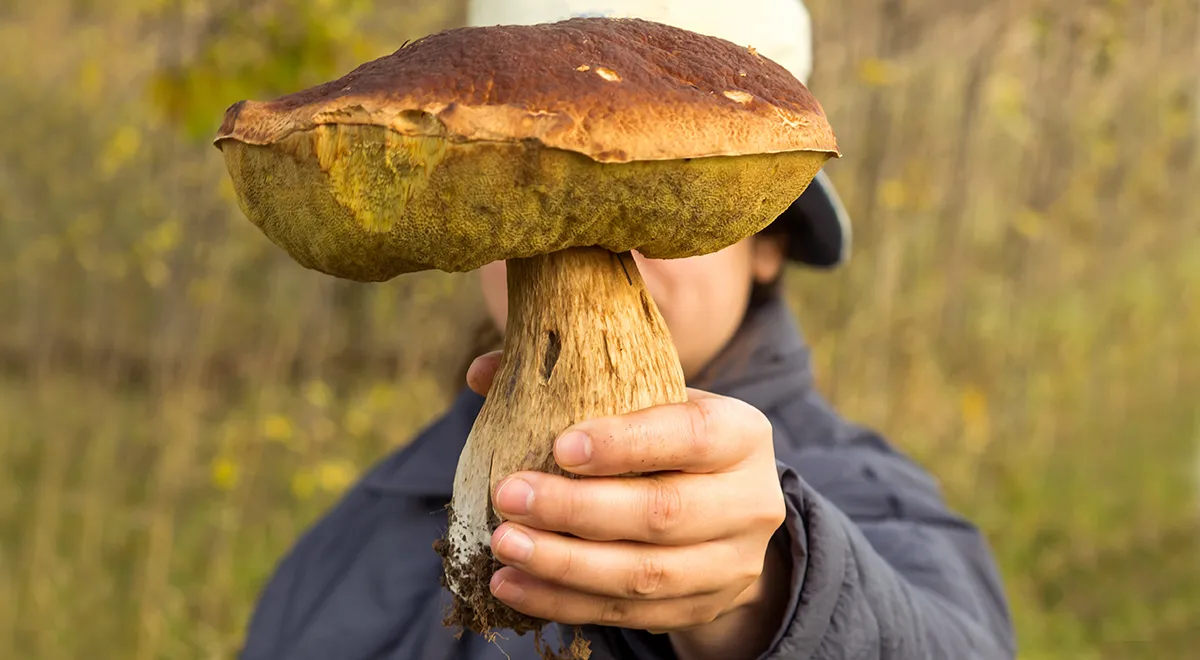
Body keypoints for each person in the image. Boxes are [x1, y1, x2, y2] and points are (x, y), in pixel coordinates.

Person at [238, 1, 1016, 659]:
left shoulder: (865, 490)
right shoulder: (367, 516)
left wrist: (769, 592)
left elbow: (953, 635)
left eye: (645, 216)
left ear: (774, 242)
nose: (625, 251)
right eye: (529, 194)